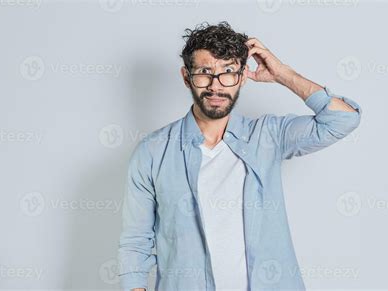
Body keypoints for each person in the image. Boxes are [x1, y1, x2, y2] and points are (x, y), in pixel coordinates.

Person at [118, 21, 362, 291]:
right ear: (187, 77)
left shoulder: (267, 136)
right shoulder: (152, 152)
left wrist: (283, 74)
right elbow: (136, 242)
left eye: (228, 72)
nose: (216, 86)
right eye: (204, 72)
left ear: (243, 76)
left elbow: (342, 120)